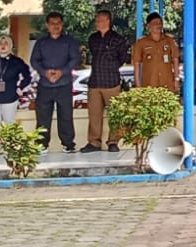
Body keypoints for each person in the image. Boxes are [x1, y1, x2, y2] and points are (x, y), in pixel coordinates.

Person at [29, 12, 81, 153]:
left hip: (64, 83)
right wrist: (45, 72)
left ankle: (68, 144)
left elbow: (75, 59)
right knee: (43, 116)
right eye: (52, 23)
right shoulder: (41, 43)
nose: (55, 26)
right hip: (45, 84)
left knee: (66, 115)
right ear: (47, 25)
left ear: (62, 24)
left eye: (58, 23)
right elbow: (34, 60)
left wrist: (62, 72)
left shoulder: (69, 41)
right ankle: (41, 144)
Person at [83, 10, 130, 153]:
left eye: (100, 20)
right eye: (96, 20)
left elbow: (122, 58)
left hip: (111, 82)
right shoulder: (93, 38)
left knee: (115, 114)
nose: (97, 22)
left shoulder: (118, 39)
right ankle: (94, 142)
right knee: (94, 115)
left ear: (108, 21)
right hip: (95, 82)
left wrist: (111, 67)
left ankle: (113, 141)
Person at [132, 13, 181, 94]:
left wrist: (176, 79)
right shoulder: (141, 43)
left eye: (160, 23)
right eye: (155, 23)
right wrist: (138, 85)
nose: (158, 25)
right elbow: (136, 64)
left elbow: (175, 59)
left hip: (167, 85)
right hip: (149, 86)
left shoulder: (169, 41)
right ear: (148, 26)